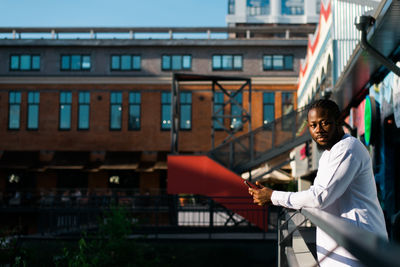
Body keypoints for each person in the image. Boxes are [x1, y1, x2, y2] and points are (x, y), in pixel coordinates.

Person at [248, 99, 387, 267]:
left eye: (325, 123)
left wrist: (273, 196)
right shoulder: (329, 154)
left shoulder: (347, 149)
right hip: (341, 251)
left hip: (358, 251)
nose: (318, 130)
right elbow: (316, 195)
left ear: (338, 122)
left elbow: (319, 197)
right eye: (313, 126)